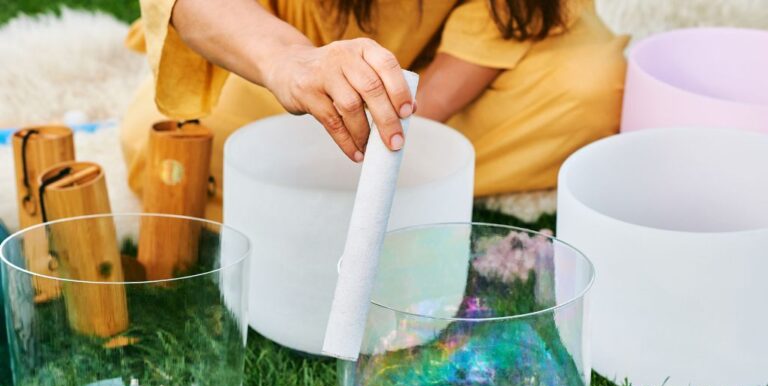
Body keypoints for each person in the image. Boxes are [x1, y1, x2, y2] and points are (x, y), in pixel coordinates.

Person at [122, 0, 628, 221]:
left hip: (446, 64)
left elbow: (509, 14)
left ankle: (315, 179)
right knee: (163, 135)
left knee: (592, 90)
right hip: (282, 43)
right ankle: (419, 177)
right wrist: (291, 63)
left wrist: (399, 116)